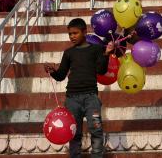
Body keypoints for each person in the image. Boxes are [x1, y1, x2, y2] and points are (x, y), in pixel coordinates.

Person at [44, 18, 114, 158]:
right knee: (74, 132)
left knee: (96, 130)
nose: (72, 36)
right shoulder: (69, 53)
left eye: (75, 33)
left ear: (84, 32)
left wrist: (106, 54)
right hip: (72, 99)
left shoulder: (96, 49)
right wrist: (52, 70)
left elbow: (100, 70)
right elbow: (61, 75)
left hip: (91, 98)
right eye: (70, 34)